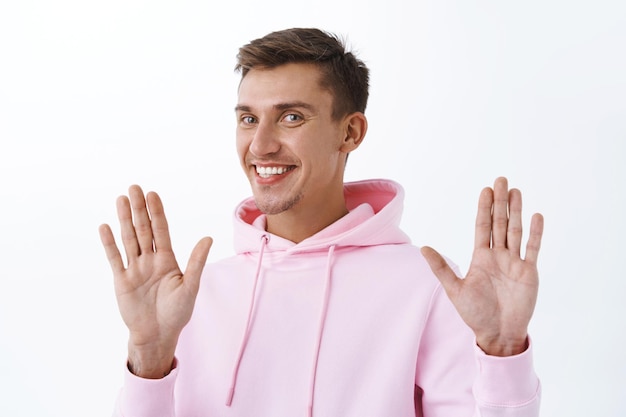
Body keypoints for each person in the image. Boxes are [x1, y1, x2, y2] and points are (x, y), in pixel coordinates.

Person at [99, 28, 544, 417]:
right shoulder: (191, 297)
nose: (261, 144)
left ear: (349, 133)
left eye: (291, 117)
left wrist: (504, 353)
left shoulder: (427, 286)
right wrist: (149, 358)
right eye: (248, 119)